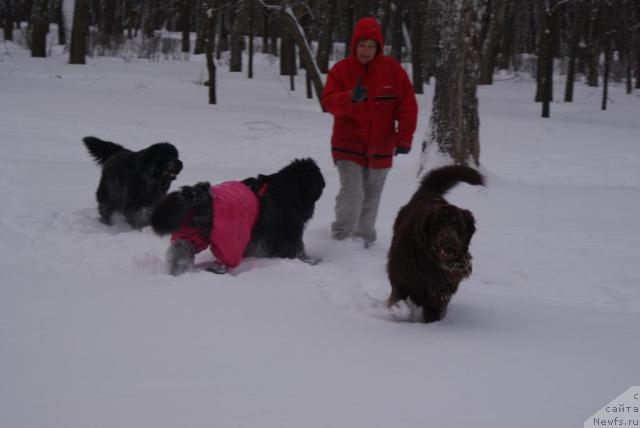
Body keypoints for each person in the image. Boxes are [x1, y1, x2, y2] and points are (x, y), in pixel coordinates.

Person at [321, 17, 418, 248]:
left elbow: (407, 107)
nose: (366, 51)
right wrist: (349, 98)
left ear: (379, 47)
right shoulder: (341, 70)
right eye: (361, 45)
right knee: (353, 194)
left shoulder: (393, 72)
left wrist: (404, 137)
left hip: (381, 147)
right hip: (348, 145)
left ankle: (364, 241)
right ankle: (341, 239)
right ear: (354, 46)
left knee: (371, 198)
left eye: (371, 46)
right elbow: (328, 102)